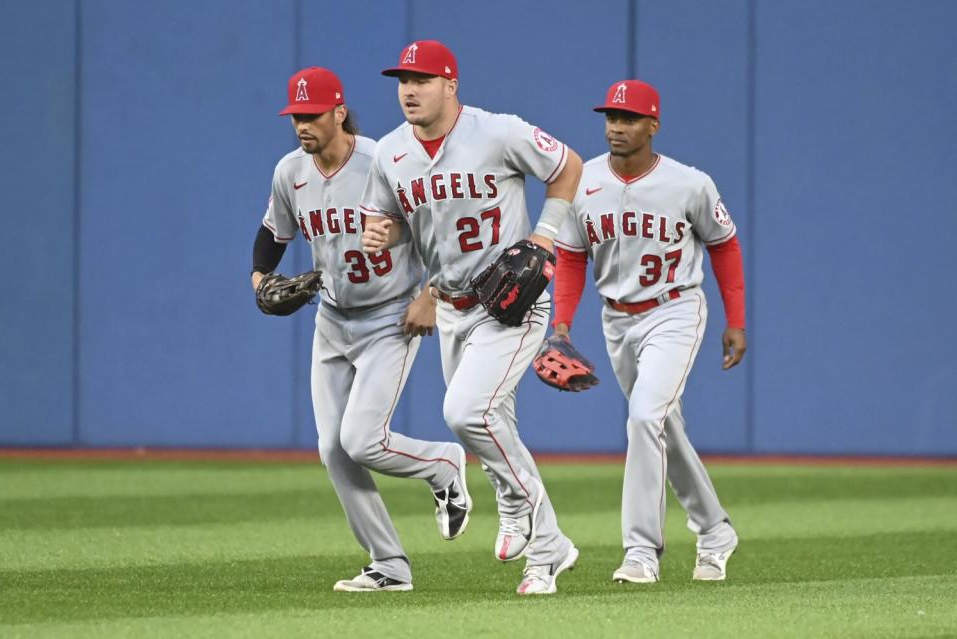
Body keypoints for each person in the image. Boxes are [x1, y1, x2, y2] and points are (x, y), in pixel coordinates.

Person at [360, 40, 582, 595]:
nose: (409, 89)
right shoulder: (389, 153)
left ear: (450, 84)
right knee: (495, 423)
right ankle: (550, 549)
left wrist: (545, 234)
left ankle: (518, 501)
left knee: (465, 413)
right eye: (402, 80)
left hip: (513, 302)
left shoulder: (497, 131)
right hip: (455, 307)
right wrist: (386, 235)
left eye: (423, 79)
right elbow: (393, 223)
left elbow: (568, 167)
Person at [252, 66, 472, 593]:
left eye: (311, 115)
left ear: (339, 112)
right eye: (296, 116)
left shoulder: (385, 161)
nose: (302, 125)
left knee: (361, 440)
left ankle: (444, 464)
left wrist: (432, 294)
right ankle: (389, 565)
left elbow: (441, 229)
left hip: (390, 318)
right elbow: (271, 233)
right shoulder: (291, 171)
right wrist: (260, 280)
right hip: (330, 319)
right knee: (333, 447)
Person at [551, 80, 746, 583]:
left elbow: (724, 244)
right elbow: (571, 257)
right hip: (615, 318)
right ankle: (715, 529)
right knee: (662, 426)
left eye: (630, 118)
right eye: (611, 117)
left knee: (643, 418)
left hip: (675, 310)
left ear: (653, 125)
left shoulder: (690, 183)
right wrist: (562, 325)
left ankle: (640, 551)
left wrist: (736, 320)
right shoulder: (583, 180)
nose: (617, 126)